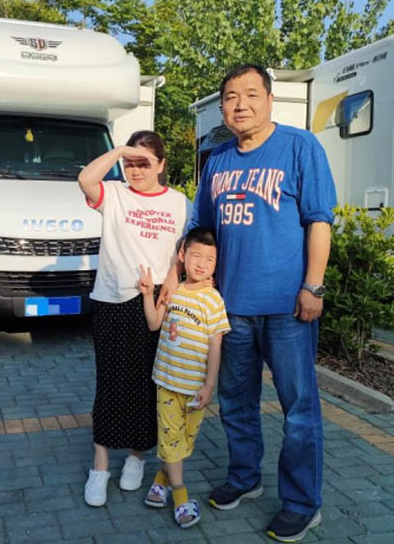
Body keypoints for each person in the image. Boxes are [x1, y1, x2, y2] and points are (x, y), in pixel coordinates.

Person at [161, 64, 336, 542]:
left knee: (298, 408)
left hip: (287, 309)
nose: (241, 104)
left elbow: (319, 221)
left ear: (270, 99)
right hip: (229, 308)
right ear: (222, 107)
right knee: (236, 401)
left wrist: (313, 287)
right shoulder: (218, 159)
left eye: (251, 94)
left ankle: (302, 503)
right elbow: (198, 228)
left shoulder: (301, 147)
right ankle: (244, 477)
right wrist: (175, 275)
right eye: (231, 97)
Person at [78, 130, 191, 507]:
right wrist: (120, 151)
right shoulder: (114, 194)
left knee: (146, 383)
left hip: (156, 301)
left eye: (144, 163)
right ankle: (100, 465)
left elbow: (184, 249)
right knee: (109, 381)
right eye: (130, 163)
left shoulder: (179, 202)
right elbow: (85, 178)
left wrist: (173, 277)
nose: (135, 170)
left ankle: (137, 456)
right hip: (112, 298)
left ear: (162, 164)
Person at [140, 226, 230, 528]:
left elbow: (216, 345)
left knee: (185, 441)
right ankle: (180, 496)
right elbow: (154, 324)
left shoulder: (213, 300)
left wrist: (209, 386)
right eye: (196, 256)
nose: (202, 264)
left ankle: (161, 479)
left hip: (195, 388)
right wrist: (147, 295)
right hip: (167, 381)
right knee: (170, 439)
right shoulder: (173, 290)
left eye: (210, 259)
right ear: (182, 255)